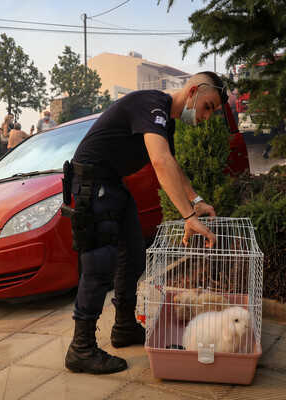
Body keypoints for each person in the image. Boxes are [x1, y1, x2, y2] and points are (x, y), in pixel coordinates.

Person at [62, 71, 226, 374]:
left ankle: (124, 327)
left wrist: (196, 201)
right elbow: (160, 162)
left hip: (112, 183)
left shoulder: (165, 119)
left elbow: (171, 165)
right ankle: (81, 348)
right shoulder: (151, 103)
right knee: (101, 261)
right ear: (193, 92)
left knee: (133, 254)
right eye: (209, 106)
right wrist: (188, 218)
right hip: (93, 181)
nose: (209, 115)